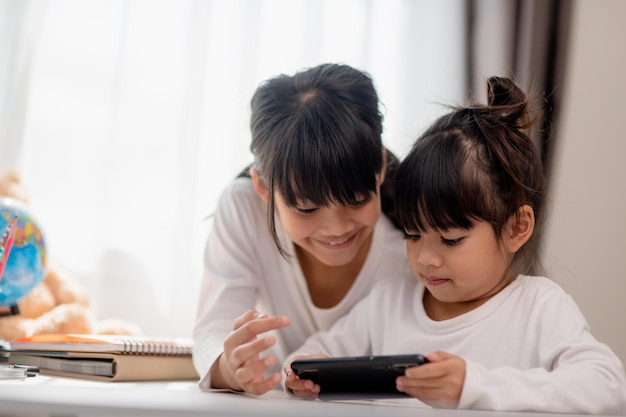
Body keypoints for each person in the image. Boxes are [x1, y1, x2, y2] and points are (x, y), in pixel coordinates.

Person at [284, 76, 626, 414]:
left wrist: (475, 387)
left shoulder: (538, 307)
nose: (426, 259)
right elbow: (312, 354)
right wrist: (303, 372)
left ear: (516, 228)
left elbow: (607, 386)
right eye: (413, 234)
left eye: (451, 239)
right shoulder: (389, 303)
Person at [192, 63, 413, 395]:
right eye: (307, 208)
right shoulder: (243, 207)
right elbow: (213, 330)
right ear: (263, 189)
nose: (337, 227)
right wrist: (229, 368)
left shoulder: (414, 243)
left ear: (380, 168)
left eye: (356, 199)